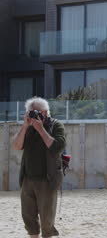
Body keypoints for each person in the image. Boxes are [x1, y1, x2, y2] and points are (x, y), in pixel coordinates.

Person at [12, 97, 66, 238]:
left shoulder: (56, 125)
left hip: (47, 180)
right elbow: (17, 146)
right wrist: (25, 126)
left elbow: (56, 147)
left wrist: (41, 129)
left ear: (46, 112)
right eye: (31, 112)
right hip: (27, 179)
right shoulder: (28, 128)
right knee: (28, 217)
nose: (34, 115)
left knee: (46, 220)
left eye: (37, 112)